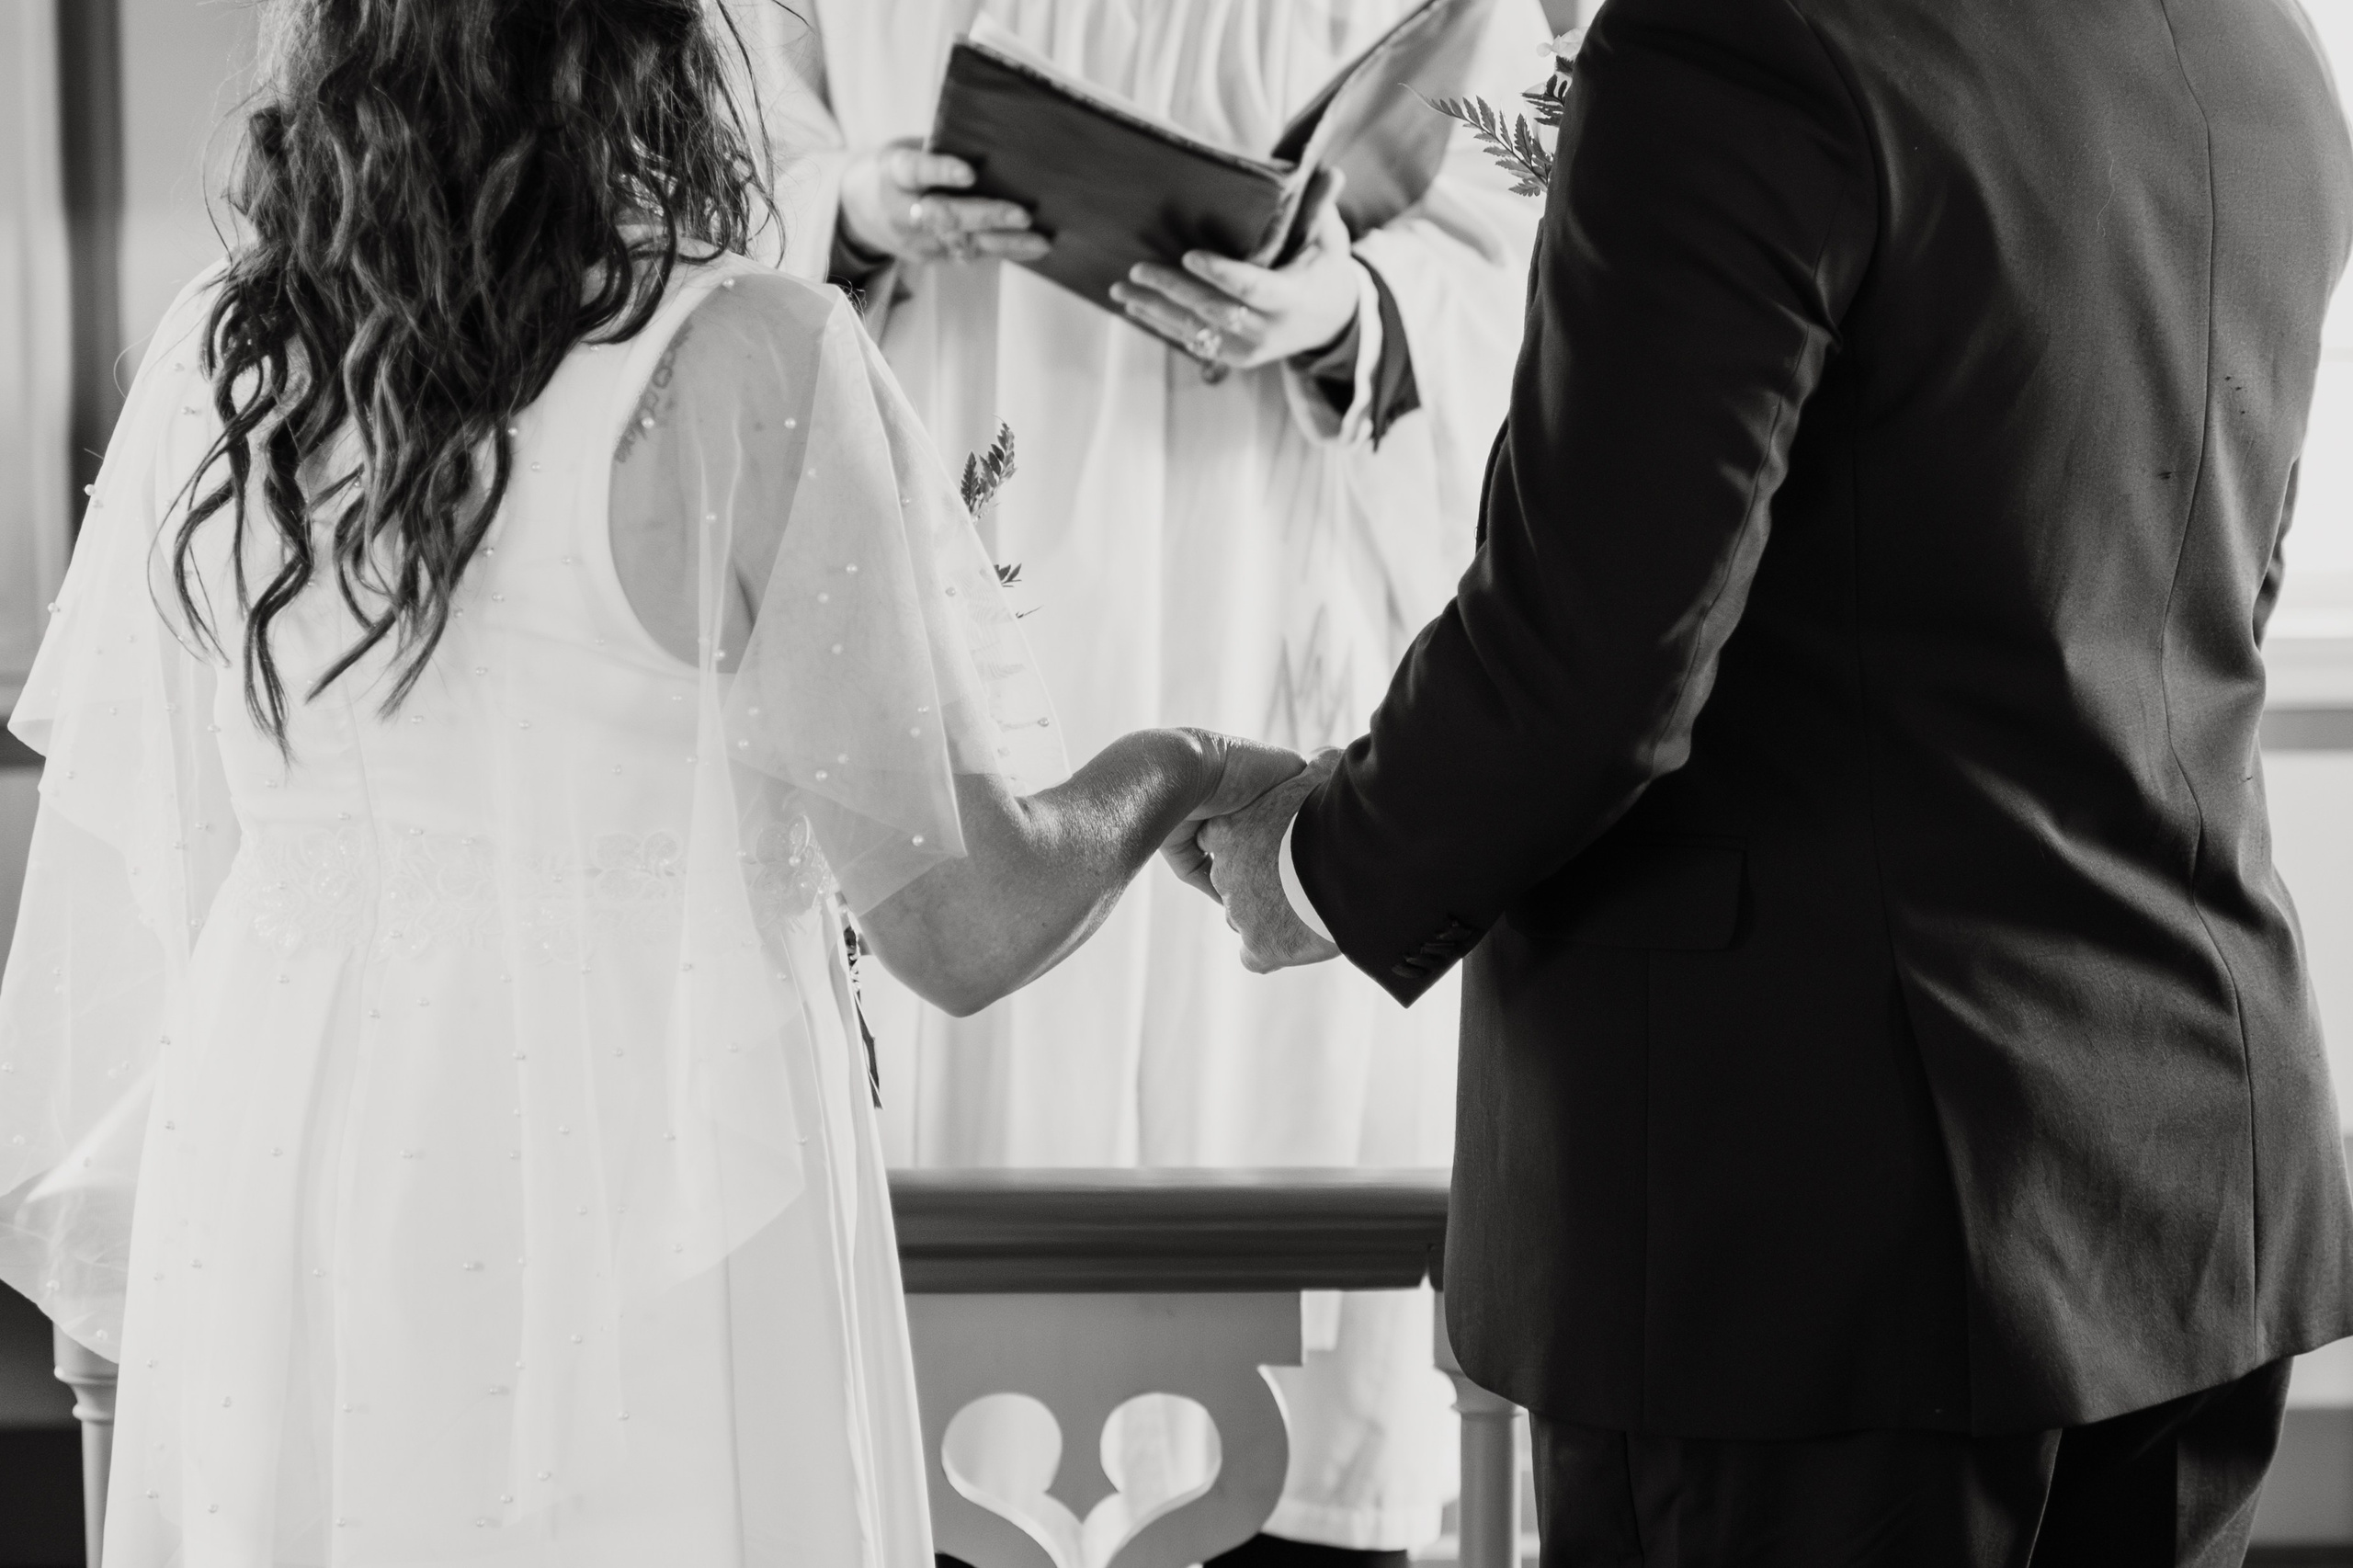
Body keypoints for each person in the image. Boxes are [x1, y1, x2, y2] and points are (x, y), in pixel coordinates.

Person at [0, 4, 1303, 1562]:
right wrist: (1189, 768)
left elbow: (157, 875)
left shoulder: (233, 351)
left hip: (285, 1194)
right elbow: (963, 923)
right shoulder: (741, 354)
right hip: (640, 1196)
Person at [1198, 0, 2353, 1562]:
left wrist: (1316, 861)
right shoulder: (2254, 44)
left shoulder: (1735, 43)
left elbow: (1592, 664)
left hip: (1818, 1241)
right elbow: (2210, 605)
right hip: (2194, 1176)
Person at [730, 4, 1552, 1558]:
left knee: (1276, 1149)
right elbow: (704, 166)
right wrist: (849, 205)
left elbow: (1546, 268)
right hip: (970, 577)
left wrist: (1345, 313)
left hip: (1264, 611)